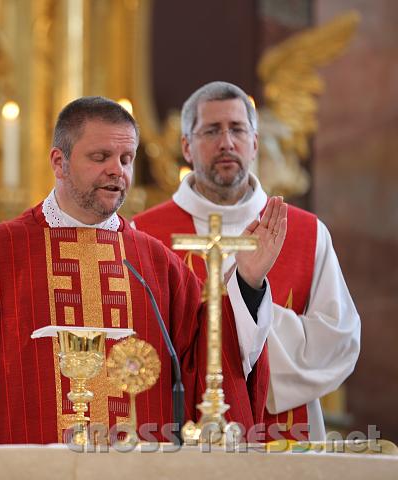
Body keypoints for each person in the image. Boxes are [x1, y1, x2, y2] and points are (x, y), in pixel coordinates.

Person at [0, 96, 287, 447]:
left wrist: (247, 286)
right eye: (100, 158)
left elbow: (212, 366)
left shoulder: (157, 265)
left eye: (127, 159)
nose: (118, 171)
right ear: (59, 162)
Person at [133, 81, 360, 441]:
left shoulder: (307, 233)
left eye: (237, 129)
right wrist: (242, 314)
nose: (226, 142)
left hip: (284, 436)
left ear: (254, 142)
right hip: (176, 431)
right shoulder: (142, 234)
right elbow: (137, 345)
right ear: (186, 147)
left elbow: (340, 341)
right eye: (211, 131)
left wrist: (245, 312)